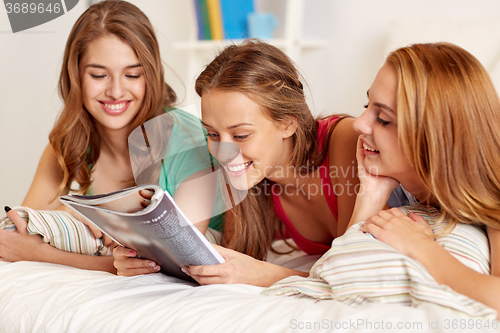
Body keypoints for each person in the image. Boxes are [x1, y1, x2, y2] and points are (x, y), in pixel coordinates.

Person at [0, 0, 221, 274]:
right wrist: (68, 216)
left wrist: (39, 254)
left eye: (132, 74)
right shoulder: (69, 143)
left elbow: (179, 263)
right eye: (99, 75)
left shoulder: (190, 141)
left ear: (150, 76)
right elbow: (16, 229)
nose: (116, 91)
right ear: (76, 76)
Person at [169, 40, 360, 287]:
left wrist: (264, 274)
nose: (224, 153)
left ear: (288, 123)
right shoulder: (254, 182)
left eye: (241, 135)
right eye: (213, 135)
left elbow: (354, 272)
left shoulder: (346, 140)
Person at [351, 42, 500, 315]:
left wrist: (419, 246)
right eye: (366, 104)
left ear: (434, 138)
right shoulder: (396, 182)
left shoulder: (493, 189)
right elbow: (344, 271)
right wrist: (371, 194)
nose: (358, 123)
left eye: (383, 118)